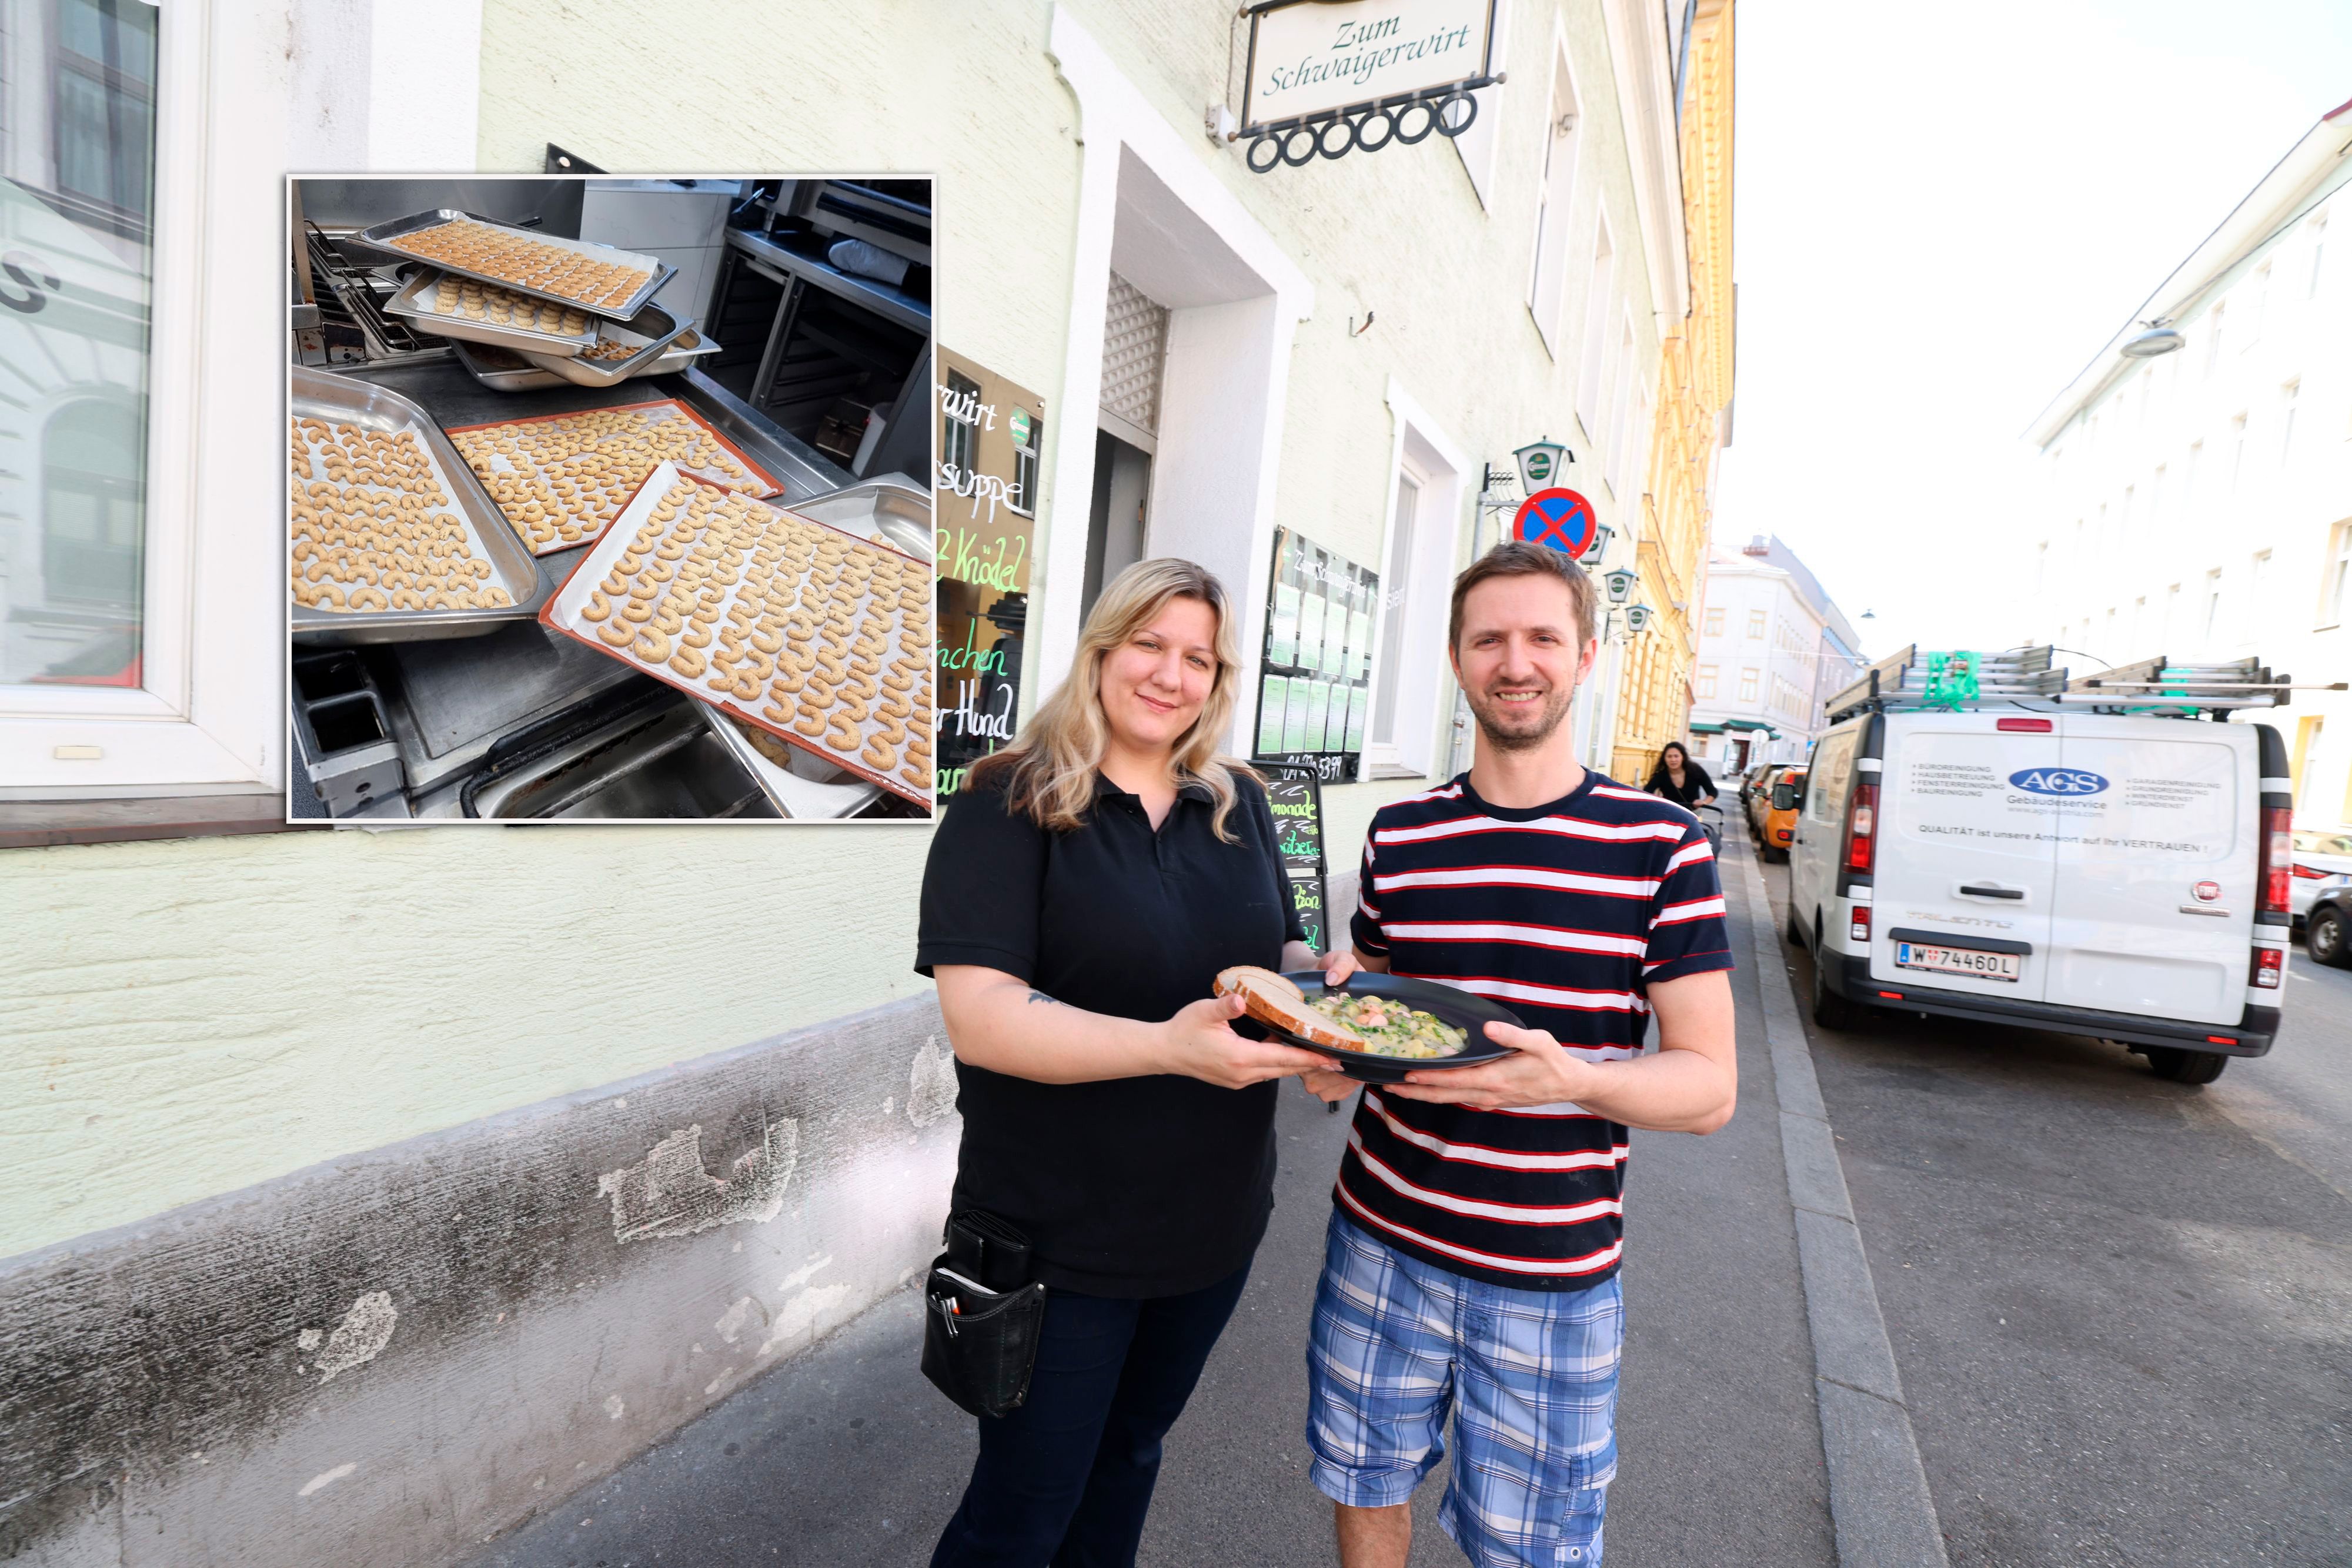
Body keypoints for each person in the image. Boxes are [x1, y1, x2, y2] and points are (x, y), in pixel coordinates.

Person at [1299, 542, 1738, 1568]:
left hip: (1551, 1272)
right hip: (1379, 1238)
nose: (1517, 660)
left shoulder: (1660, 846)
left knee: (1532, 1547)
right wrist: (1318, 1031)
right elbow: (1361, 1016)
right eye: (1490, 638)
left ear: (1585, 655)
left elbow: (1710, 1086)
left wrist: (1576, 1080)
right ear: (1458, 659)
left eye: (1543, 636)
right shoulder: (1402, 837)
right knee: (1364, 1484)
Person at [914, 557, 1353, 1567]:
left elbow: (1273, 957)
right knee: (1021, 1511)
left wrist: (1326, 989)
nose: (1170, 674)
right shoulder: (1007, 800)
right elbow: (982, 1018)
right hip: (1055, 1241)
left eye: (1198, 656)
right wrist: (1165, 1048)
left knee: (1129, 1464)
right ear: (1103, 650)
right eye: (1150, 644)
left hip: (1210, 1229)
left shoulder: (1240, 802)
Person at [1642, 740, 1717, 811]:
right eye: (1669, 757)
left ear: (1683, 757)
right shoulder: (1661, 776)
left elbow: (1712, 791)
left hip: (1693, 814)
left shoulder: (1695, 770)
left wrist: (1704, 802)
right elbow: (1646, 793)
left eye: (1676, 756)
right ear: (1664, 759)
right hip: (1671, 814)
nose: (1673, 760)